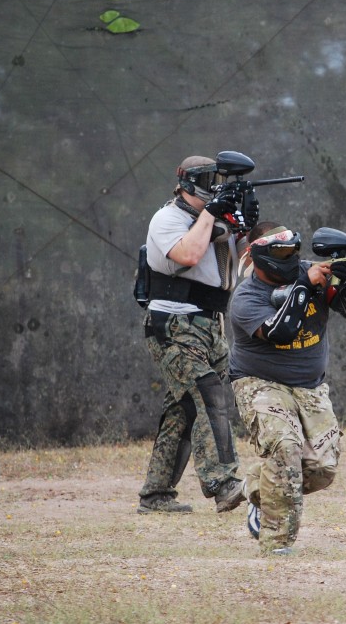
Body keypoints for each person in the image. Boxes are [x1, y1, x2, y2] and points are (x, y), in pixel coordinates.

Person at [229, 225, 346, 555]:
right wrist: (305, 288)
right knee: (286, 448)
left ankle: (260, 484)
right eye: (281, 254)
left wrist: (342, 282)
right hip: (259, 383)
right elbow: (281, 332)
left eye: (294, 250)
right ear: (260, 259)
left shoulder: (311, 273)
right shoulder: (246, 298)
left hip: (309, 385)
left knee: (323, 469)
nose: (291, 258)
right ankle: (276, 546)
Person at [136, 154, 260, 514]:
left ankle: (155, 494)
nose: (213, 193)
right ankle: (223, 483)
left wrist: (245, 225)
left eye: (217, 187)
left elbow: (244, 263)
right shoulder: (167, 218)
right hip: (172, 325)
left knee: (184, 410)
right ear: (188, 184)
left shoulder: (215, 221)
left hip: (209, 325)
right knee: (208, 394)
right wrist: (212, 214)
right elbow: (188, 254)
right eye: (208, 186)